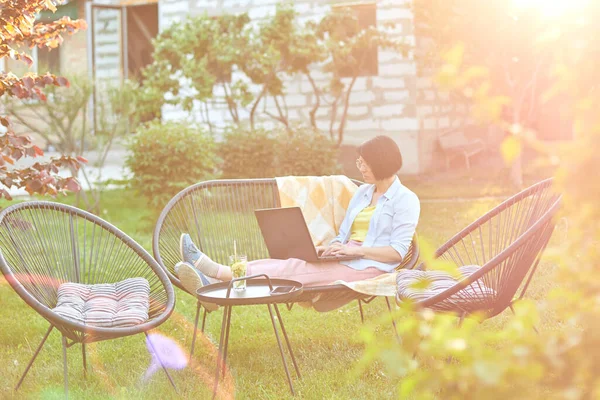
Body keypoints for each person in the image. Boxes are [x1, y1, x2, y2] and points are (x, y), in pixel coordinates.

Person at [175, 135, 420, 288]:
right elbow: (344, 233)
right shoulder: (363, 193)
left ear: (381, 162)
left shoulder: (405, 200)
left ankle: (216, 272)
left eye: (364, 163)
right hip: (347, 257)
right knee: (290, 261)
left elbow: (397, 253)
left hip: (369, 267)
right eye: (360, 163)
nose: (361, 168)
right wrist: (332, 247)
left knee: (293, 270)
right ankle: (214, 280)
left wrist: (356, 250)